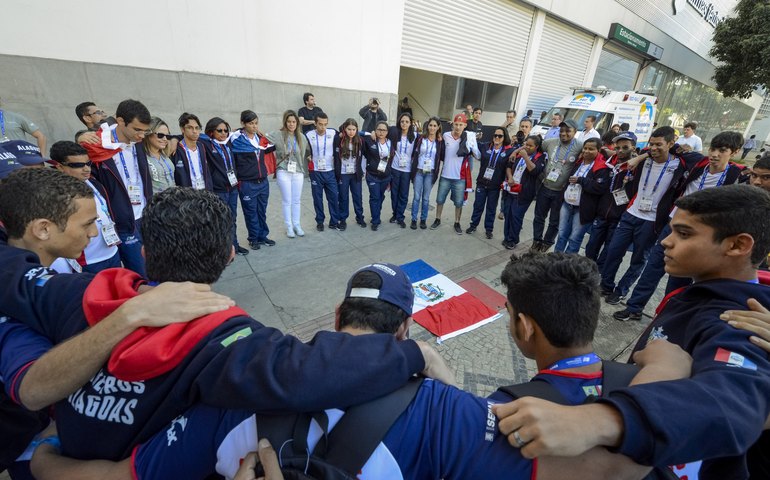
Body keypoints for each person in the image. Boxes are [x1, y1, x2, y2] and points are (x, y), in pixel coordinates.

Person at [30, 255, 684, 480]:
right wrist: (669, 362)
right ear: (404, 327)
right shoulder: (444, 411)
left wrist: (43, 453)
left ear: (336, 317)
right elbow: (609, 464)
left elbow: (103, 474)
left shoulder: (235, 393)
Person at [0, 182, 444, 464]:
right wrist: (414, 351)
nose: (95, 232)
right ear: (229, 256)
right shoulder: (231, 339)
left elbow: (11, 274)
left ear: (147, 253)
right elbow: (313, 372)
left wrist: (44, 457)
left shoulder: (80, 292)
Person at [496, 185, 770, 479]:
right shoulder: (697, 295)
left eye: (685, 234)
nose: (666, 242)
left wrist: (597, 421)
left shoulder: (742, 322)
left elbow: (731, 405)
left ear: (738, 245)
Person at [614, 131, 746, 321]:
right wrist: (639, 157)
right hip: (674, 224)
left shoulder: (735, 176)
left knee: (679, 277)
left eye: (722, 150)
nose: (715, 154)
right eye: (713, 149)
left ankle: (668, 316)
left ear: (734, 152)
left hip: (698, 233)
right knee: (653, 267)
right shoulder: (697, 164)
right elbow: (662, 147)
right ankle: (634, 307)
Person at [600, 126, 686, 305]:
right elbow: (629, 153)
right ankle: (606, 284)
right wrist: (643, 155)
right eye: (651, 144)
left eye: (659, 145)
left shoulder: (679, 164)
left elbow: (698, 159)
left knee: (638, 259)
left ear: (671, 143)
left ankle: (621, 290)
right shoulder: (643, 160)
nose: (654, 148)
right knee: (613, 251)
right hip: (630, 214)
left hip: (652, 220)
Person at [80, 99, 152, 277]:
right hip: (122, 221)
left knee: (153, 266)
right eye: (137, 129)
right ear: (120, 121)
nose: (141, 135)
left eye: (145, 131)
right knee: (139, 272)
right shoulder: (97, 146)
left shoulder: (138, 141)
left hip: (146, 215)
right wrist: (80, 137)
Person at [49, 141, 121, 274]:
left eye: (88, 163)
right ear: (59, 166)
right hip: (88, 262)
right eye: (78, 165)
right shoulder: (55, 194)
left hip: (112, 252)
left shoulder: (93, 182)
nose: (86, 169)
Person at [584, 131, 637, 269]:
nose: (620, 151)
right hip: (601, 215)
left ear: (633, 148)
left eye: (625, 147)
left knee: (609, 251)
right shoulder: (608, 164)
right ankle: (585, 275)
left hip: (619, 217)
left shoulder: (638, 167)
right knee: (591, 247)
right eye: (617, 147)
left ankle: (598, 277)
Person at [531, 119, 583, 252]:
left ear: (575, 132)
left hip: (561, 191)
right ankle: (536, 240)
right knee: (539, 217)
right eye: (562, 130)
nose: (564, 133)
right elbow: (534, 147)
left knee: (554, 221)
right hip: (545, 186)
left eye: (568, 131)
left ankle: (547, 242)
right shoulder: (550, 142)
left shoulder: (580, 146)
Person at [202, 117, 249, 254]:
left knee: (232, 218)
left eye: (225, 131)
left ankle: (234, 245)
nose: (223, 133)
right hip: (219, 190)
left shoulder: (228, 144)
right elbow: (192, 134)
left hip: (232, 188)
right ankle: (224, 249)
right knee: (220, 220)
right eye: (219, 131)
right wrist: (174, 139)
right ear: (211, 132)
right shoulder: (207, 145)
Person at [231, 110, 276, 249]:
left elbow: (273, 146)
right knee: (251, 212)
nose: (254, 126)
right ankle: (253, 238)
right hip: (247, 183)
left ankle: (263, 236)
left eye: (256, 123)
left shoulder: (260, 139)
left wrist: (263, 135)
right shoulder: (235, 139)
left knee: (261, 211)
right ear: (243, 123)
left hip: (263, 182)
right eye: (251, 123)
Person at [267, 110, 309, 238]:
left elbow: (303, 154)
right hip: (283, 171)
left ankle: (297, 225)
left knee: (296, 200)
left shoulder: (301, 137)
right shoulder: (278, 135)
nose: (291, 124)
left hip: (297, 172)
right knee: (287, 200)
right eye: (289, 122)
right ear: (285, 122)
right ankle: (289, 227)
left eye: (294, 122)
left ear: (297, 123)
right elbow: (262, 136)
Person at [502, 135, 546, 249]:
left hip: (524, 194)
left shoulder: (539, 158)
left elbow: (534, 171)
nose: (527, 147)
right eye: (526, 144)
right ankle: (507, 237)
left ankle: (512, 240)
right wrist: (510, 176)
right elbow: (508, 165)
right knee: (508, 214)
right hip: (511, 189)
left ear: (536, 147)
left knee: (516, 216)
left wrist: (526, 157)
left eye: (530, 146)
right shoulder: (518, 153)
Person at [466, 127, 511, 239]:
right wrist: (472, 136)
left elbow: (517, 153)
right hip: (482, 182)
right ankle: (473, 225)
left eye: (500, 136)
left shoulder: (508, 151)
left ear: (504, 137)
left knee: (491, 208)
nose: (496, 137)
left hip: (494, 186)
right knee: (478, 205)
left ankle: (489, 229)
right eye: (495, 135)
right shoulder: (485, 146)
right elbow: (472, 143)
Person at [305, 113, 340, 232]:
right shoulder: (308, 135)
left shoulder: (333, 132)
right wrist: (307, 155)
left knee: (334, 197)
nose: (323, 127)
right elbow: (301, 145)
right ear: (315, 123)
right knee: (317, 198)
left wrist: (368, 133)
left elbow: (348, 130)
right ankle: (320, 221)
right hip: (316, 172)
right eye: (320, 124)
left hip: (330, 171)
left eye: (325, 124)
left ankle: (334, 221)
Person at [409, 117, 445, 230]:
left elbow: (442, 156)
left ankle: (423, 219)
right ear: (427, 126)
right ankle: (414, 219)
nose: (432, 128)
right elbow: (413, 153)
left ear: (438, 127)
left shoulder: (440, 142)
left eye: (435, 126)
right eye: (430, 125)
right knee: (416, 197)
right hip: (419, 171)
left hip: (430, 173)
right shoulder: (420, 139)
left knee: (425, 198)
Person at [334, 118, 366, 230]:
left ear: (357, 129)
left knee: (358, 196)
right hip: (343, 173)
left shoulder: (360, 140)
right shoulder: (339, 139)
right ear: (344, 129)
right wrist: (340, 133)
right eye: (349, 129)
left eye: (353, 129)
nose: (351, 132)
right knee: (343, 197)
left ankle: (359, 216)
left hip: (355, 173)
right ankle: (342, 219)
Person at [387, 113, 417, 228]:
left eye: (407, 122)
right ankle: (395, 214)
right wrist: (374, 132)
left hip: (407, 170)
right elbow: (382, 130)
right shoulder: (394, 133)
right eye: (402, 121)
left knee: (403, 194)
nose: (404, 124)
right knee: (394, 193)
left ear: (410, 123)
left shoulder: (415, 135)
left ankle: (400, 216)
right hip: (395, 168)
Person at [363, 121, 394, 231]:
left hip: (385, 176)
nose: (381, 132)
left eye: (384, 130)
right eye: (379, 129)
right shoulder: (370, 140)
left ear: (387, 132)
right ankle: (375, 220)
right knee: (375, 197)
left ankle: (376, 214)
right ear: (375, 130)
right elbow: (358, 132)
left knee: (380, 197)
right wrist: (370, 133)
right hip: (372, 175)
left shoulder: (390, 142)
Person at [173, 112, 212, 191]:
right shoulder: (176, 148)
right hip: (187, 195)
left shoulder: (201, 146)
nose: (194, 131)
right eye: (190, 127)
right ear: (182, 129)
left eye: (197, 128)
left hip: (205, 191)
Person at [141, 117, 176, 193]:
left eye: (167, 136)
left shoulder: (165, 155)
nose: (165, 139)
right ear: (149, 134)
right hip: (154, 202)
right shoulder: (141, 156)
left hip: (173, 201)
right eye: (160, 135)